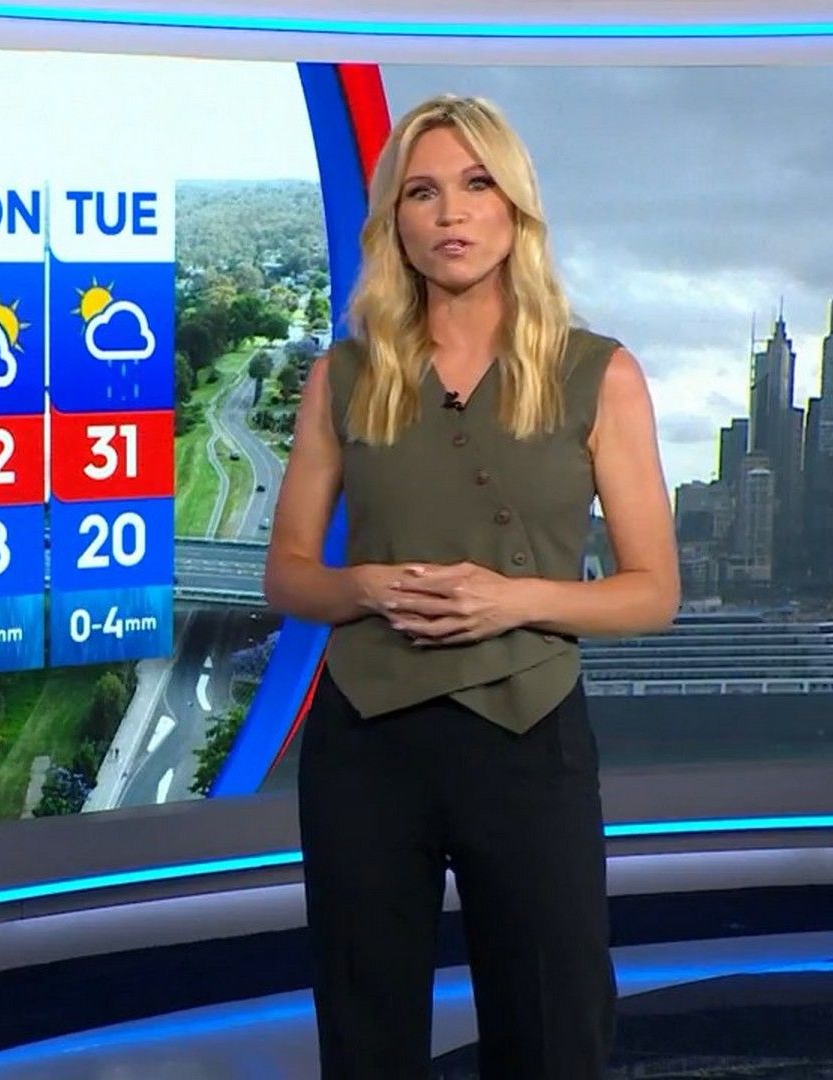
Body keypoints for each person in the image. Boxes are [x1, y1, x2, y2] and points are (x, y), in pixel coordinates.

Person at [261, 93, 680, 1078]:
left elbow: (652, 590)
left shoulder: (599, 374)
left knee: (552, 1034)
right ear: (395, 222)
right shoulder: (344, 377)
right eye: (423, 192)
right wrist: (365, 587)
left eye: (476, 184)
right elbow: (288, 576)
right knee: (366, 1040)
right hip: (367, 745)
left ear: (515, 207)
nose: (451, 212)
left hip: (528, 741)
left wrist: (516, 600)